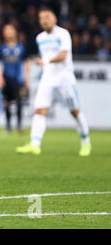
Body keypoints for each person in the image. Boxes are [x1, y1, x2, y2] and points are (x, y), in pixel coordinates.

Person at [16, 9, 91, 156]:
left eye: (47, 17)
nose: (44, 20)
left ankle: (85, 142)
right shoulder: (40, 38)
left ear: (54, 19)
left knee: (75, 111)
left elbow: (63, 55)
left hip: (64, 77)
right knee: (39, 110)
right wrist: (45, 63)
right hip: (48, 77)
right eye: (41, 18)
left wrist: (45, 61)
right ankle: (35, 144)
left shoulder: (63, 34)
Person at [0, 24, 30, 133]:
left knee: (19, 102)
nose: (8, 32)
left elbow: (26, 62)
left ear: (15, 32)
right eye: (6, 30)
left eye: (10, 30)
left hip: (18, 79)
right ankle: (8, 127)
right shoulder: (2, 47)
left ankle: (19, 126)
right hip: (6, 79)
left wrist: (26, 77)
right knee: (7, 102)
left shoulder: (21, 47)